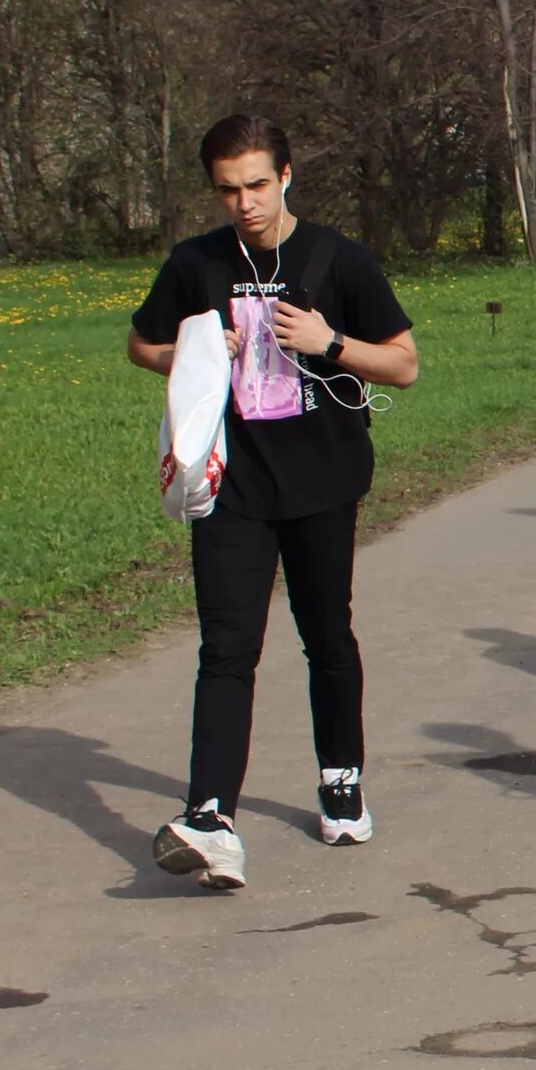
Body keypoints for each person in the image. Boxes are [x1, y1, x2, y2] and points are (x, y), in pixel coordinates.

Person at [126, 114, 421, 891]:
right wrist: (192, 346)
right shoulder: (196, 264)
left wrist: (329, 343)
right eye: (228, 190)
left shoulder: (337, 259)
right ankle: (211, 818)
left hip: (323, 480)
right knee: (226, 648)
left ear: (286, 175)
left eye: (257, 184)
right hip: (232, 487)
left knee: (326, 633)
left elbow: (404, 365)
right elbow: (141, 345)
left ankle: (341, 779)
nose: (244, 204)